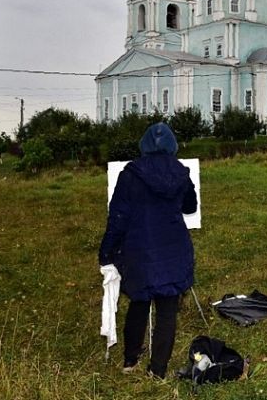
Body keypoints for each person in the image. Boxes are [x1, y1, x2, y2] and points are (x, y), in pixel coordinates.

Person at [99, 122, 197, 378]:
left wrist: (106, 252)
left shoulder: (130, 174)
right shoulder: (180, 172)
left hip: (139, 250)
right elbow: (190, 208)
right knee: (167, 310)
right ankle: (158, 370)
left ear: (144, 144)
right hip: (174, 250)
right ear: (172, 145)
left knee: (139, 303)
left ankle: (130, 361)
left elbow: (117, 217)